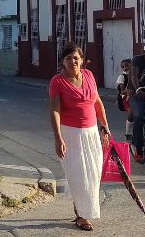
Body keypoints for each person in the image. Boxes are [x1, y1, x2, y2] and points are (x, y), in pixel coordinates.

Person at [50, 43, 111, 231]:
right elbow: (55, 110)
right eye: (68, 58)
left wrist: (105, 126)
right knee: (78, 176)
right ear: (63, 61)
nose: (72, 61)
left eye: (75, 58)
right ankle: (81, 216)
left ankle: (84, 210)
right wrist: (58, 138)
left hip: (91, 133)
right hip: (70, 135)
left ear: (82, 60)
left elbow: (97, 102)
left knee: (92, 175)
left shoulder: (89, 76)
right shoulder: (57, 82)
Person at [114, 59, 133, 140]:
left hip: (136, 96)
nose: (125, 68)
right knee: (131, 114)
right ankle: (128, 133)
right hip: (126, 98)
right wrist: (128, 90)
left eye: (127, 66)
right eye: (123, 67)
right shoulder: (122, 77)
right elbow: (122, 92)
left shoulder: (136, 74)